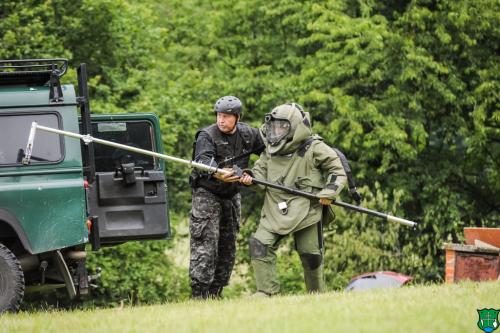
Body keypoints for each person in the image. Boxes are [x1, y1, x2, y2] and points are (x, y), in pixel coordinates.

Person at [238, 103, 347, 296]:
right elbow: (259, 178)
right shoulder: (269, 151)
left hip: (307, 209)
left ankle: (317, 295)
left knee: (311, 255)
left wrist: (328, 193)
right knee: (259, 244)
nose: (276, 131)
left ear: (294, 127)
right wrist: (249, 179)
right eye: (274, 126)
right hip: (274, 207)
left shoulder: (314, 147)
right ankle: (267, 292)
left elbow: (337, 171)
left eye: (282, 126)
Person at [188, 95, 264, 299]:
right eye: (219, 115)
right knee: (206, 242)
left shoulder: (249, 134)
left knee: (228, 244)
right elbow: (202, 161)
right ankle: (199, 294)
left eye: (227, 116)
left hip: (232, 194)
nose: (221, 120)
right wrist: (218, 172)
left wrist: (253, 174)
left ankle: (216, 293)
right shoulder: (207, 135)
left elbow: (268, 153)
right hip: (207, 193)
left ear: (237, 118)